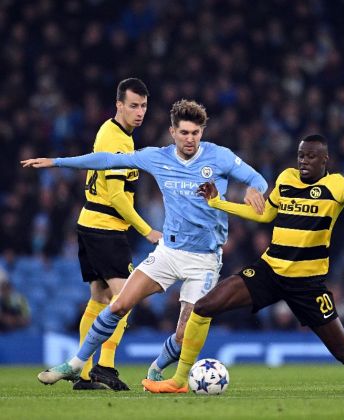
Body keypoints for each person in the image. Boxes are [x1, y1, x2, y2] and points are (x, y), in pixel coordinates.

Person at [142, 134, 344, 394]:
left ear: (325, 160)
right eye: (300, 155)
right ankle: (179, 380)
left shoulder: (336, 186)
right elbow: (265, 215)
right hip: (270, 271)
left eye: (311, 156)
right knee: (204, 307)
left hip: (307, 285)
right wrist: (218, 204)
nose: (304, 161)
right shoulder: (286, 179)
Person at [22, 99, 268, 389]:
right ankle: (75, 365)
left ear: (202, 132)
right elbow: (106, 159)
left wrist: (255, 189)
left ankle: (156, 368)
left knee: (183, 333)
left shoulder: (219, 157)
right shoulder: (157, 157)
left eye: (196, 133)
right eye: (185, 133)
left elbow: (257, 178)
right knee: (119, 305)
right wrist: (57, 162)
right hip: (168, 253)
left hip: (204, 260)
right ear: (172, 132)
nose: (190, 139)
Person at [71, 78, 162, 390]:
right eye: (133, 105)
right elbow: (117, 196)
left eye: (144, 106)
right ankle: (105, 366)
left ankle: (82, 375)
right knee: (126, 298)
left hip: (92, 225)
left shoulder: (116, 132)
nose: (139, 112)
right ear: (119, 105)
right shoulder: (117, 141)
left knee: (99, 298)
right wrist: (147, 230)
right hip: (105, 229)